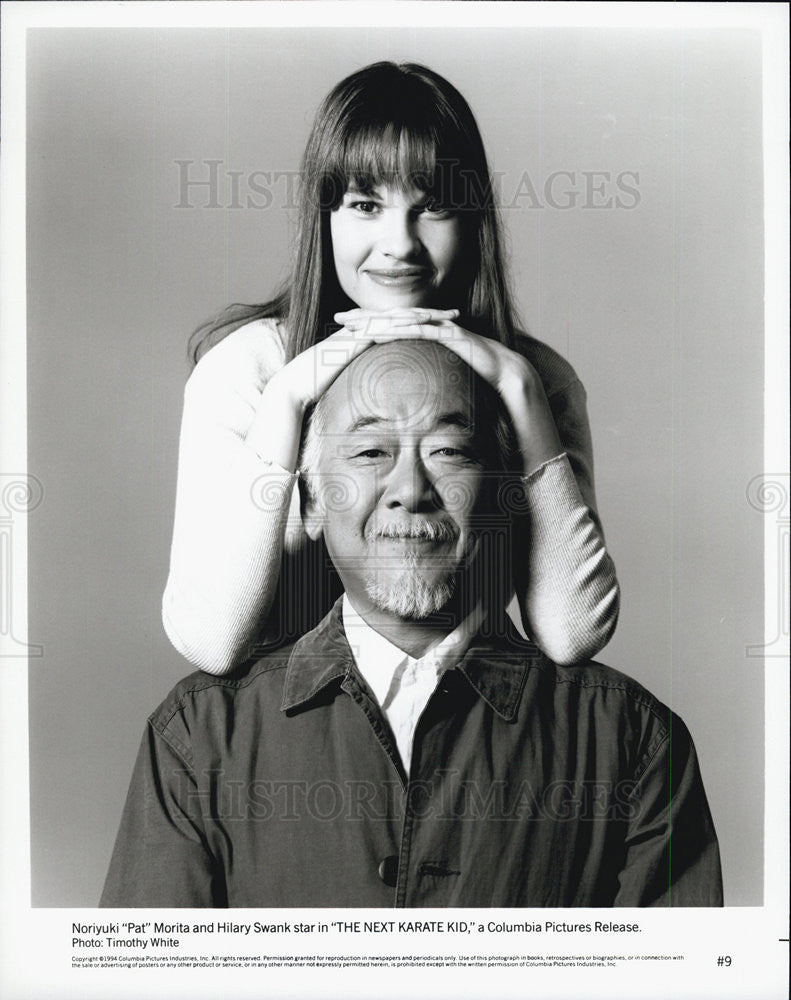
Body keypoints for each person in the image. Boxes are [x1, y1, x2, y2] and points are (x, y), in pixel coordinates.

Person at [102, 341, 722, 908]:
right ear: (312, 503)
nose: (410, 489)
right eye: (371, 452)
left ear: (507, 495)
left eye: (449, 451)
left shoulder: (635, 742)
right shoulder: (198, 738)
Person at [162, 61, 619, 675]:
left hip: (471, 728)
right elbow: (211, 640)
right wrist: (289, 396)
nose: (399, 243)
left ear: (472, 219)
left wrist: (520, 392)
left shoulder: (532, 379)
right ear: (324, 218)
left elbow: (573, 633)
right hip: (288, 731)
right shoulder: (249, 370)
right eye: (365, 204)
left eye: (432, 208)